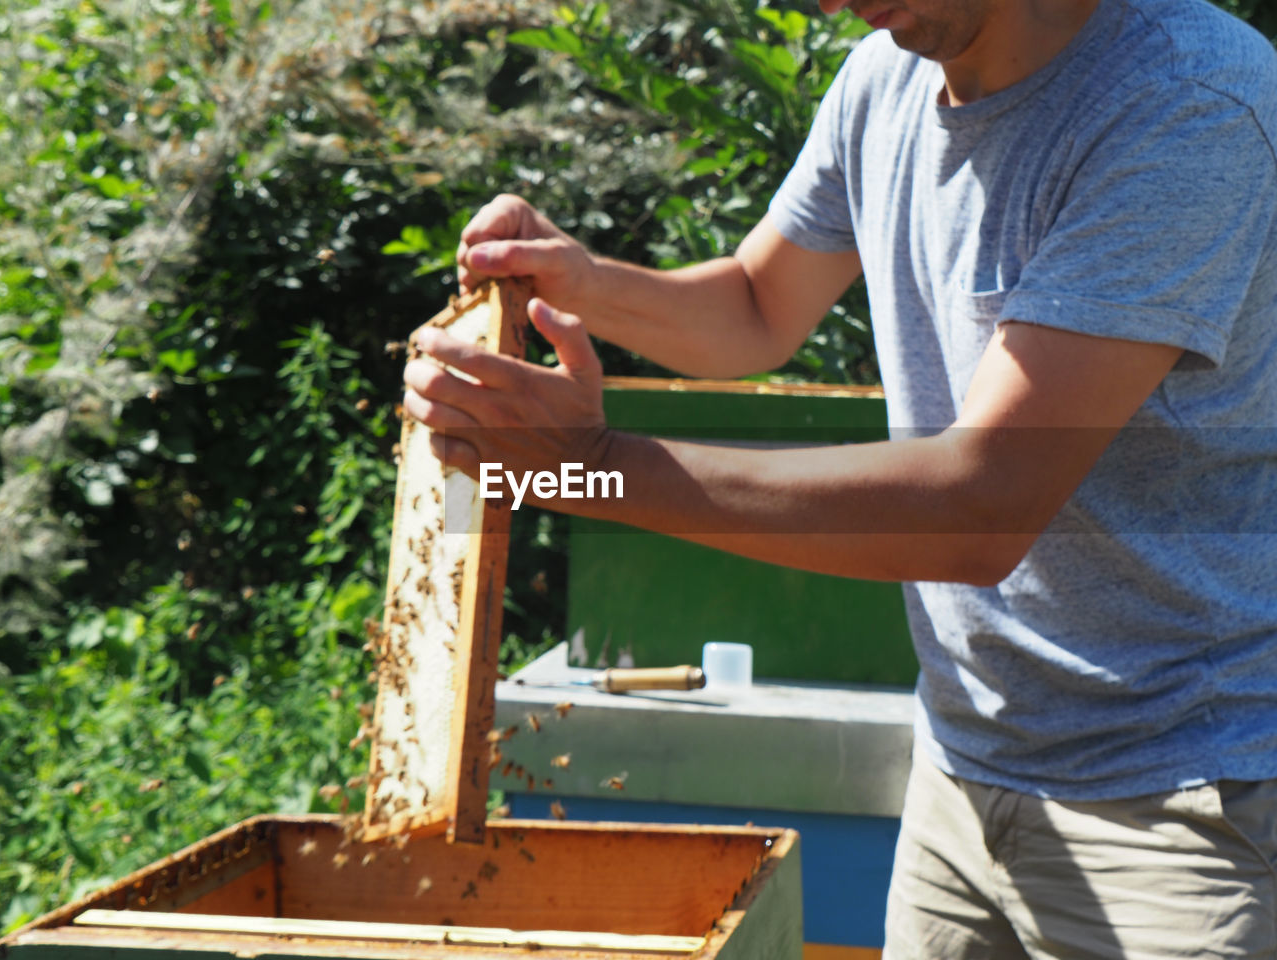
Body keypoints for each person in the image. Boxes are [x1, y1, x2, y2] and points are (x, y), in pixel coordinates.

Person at [403, 0, 1277, 954]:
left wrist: (593, 473)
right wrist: (580, 280)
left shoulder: (1187, 101)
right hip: (962, 774)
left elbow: (978, 513)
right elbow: (754, 307)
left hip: (1182, 803)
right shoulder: (882, 79)